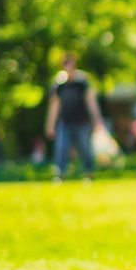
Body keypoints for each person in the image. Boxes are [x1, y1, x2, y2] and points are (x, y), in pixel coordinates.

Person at [44, 52, 105, 181]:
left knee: (85, 149)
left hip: (82, 122)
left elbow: (91, 102)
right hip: (65, 122)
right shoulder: (59, 85)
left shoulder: (82, 82)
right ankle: (60, 174)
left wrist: (97, 120)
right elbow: (54, 106)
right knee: (61, 148)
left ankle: (89, 172)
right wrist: (50, 125)